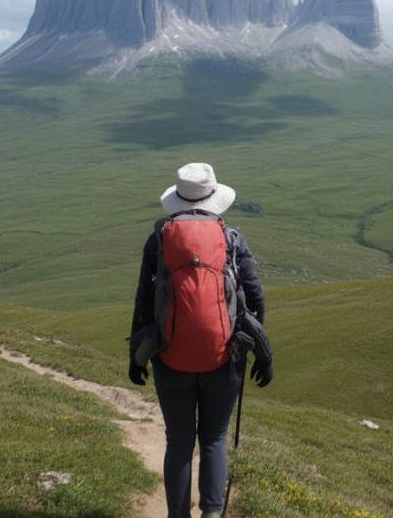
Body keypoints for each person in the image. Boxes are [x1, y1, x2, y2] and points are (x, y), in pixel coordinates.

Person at [129, 162, 271, 518]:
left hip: (170, 356)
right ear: (214, 198)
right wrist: (256, 350)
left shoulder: (159, 239)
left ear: (177, 199)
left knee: (179, 442)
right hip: (223, 358)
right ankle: (211, 513)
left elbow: (144, 302)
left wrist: (137, 357)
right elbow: (255, 299)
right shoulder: (231, 238)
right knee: (214, 439)